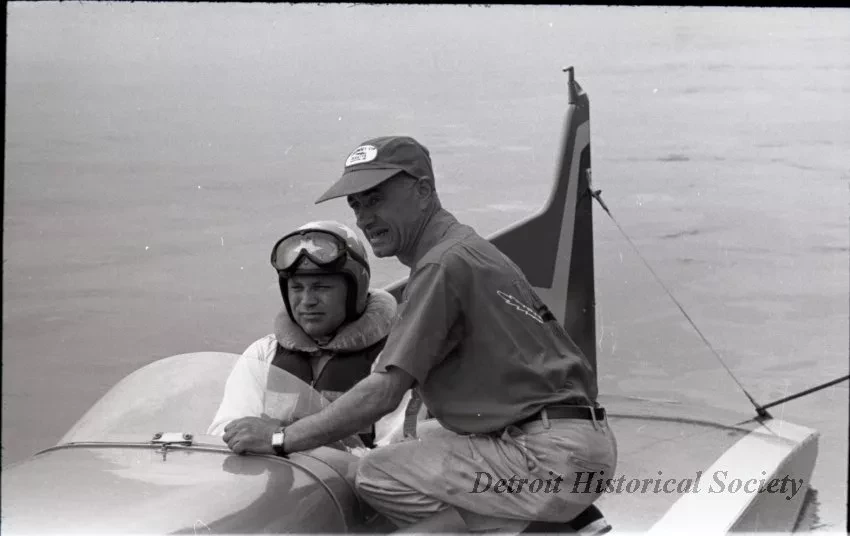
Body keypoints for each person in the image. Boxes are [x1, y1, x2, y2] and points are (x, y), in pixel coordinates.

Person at [239, 136, 617, 533]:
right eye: (356, 205)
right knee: (424, 438)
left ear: (423, 191)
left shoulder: (441, 266)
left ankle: (537, 530)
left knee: (377, 473)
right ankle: (568, 521)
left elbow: (384, 393)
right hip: (578, 447)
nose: (365, 218)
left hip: (546, 458)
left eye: (376, 199)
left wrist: (281, 439)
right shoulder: (467, 249)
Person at [208, 220, 398, 450]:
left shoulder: (393, 360)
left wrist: (289, 439)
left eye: (321, 287)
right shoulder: (263, 355)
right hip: (272, 472)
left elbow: (394, 456)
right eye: (297, 288)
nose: (307, 301)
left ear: (355, 291)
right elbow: (223, 435)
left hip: (350, 474)